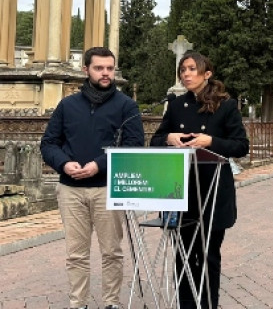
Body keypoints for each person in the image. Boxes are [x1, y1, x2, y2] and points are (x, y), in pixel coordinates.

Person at [41, 46, 145, 309]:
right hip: (71, 190)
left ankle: (111, 303)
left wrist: (99, 165)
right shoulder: (67, 105)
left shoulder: (126, 106)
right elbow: (49, 143)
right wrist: (64, 164)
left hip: (108, 188)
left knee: (111, 252)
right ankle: (79, 303)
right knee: (76, 254)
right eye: (99, 68)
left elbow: (133, 146)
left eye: (110, 68)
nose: (106, 73)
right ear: (85, 69)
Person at [150, 52, 249, 309]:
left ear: (207, 74)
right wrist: (168, 139)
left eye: (192, 69)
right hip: (179, 191)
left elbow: (241, 146)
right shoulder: (174, 104)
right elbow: (155, 141)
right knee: (182, 255)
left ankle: (207, 305)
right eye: (183, 70)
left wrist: (211, 142)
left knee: (208, 256)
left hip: (213, 192)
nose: (186, 74)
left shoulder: (226, 105)